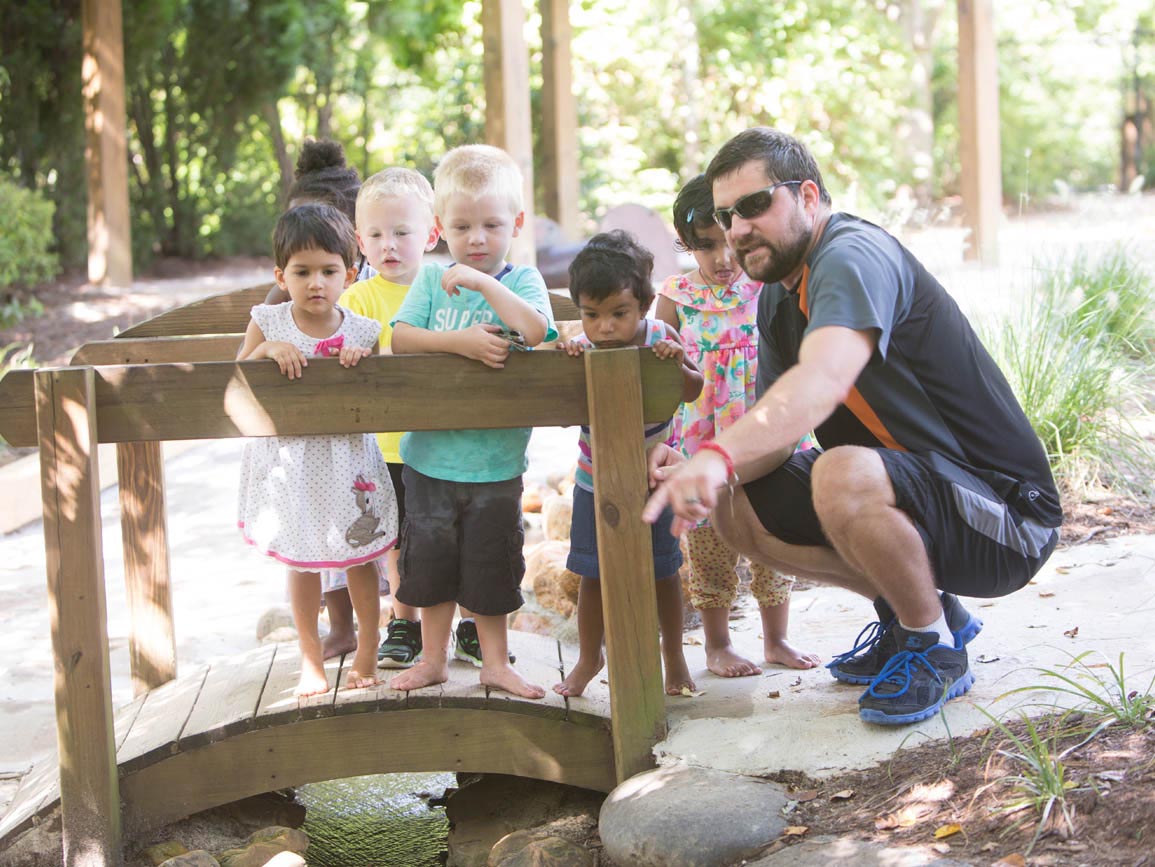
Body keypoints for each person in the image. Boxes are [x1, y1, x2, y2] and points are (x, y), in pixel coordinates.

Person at [644, 127, 1062, 725]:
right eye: (725, 215)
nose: (737, 230)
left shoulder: (850, 254)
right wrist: (701, 466)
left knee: (840, 472)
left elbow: (819, 383)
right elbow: (776, 434)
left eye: (755, 205)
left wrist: (716, 455)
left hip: (1007, 515)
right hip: (917, 490)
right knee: (733, 505)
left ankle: (935, 650)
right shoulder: (775, 296)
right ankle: (917, 612)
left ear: (808, 197)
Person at [388, 144, 558, 699]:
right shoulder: (431, 281)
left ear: (517, 223)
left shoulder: (524, 281)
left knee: (491, 567)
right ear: (440, 229)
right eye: (462, 227)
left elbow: (535, 332)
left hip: (495, 462)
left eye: (491, 224)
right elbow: (400, 337)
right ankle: (434, 659)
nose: (477, 238)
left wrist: (486, 285)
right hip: (431, 460)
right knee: (432, 566)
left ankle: (495, 664)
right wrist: (458, 342)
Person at [654, 175, 820, 679]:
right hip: (701, 441)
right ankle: (718, 645)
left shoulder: (764, 285)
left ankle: (776, 638)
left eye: (727, 244)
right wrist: (664, 354)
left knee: (771, 534)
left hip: (764, 434)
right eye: (705, 248)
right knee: (709, 545)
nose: (722, 260)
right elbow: (655, 364)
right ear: (686, 244)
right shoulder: (676, 295)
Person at [237, 203, 398, 696]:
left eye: (329, 271)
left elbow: (385, 386)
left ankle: (368, 645)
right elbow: (238, 373)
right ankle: (310, 655)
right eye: (302, 272)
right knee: (301, 562)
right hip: (292, 466)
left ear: (349, 274)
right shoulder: (268, 321)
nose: (315, 283)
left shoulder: (362, 330)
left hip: (349, 465)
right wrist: (266, 351)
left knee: (359, 559)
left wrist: (362, 360)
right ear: (280, 275)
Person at [552, 230, 704, 698]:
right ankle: (588, 658)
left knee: (662, 571)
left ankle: (674, 658)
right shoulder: (583, 344)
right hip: (593, 482)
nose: (605, 328)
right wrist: (567, 352)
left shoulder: (661, 336)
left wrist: (674, 364)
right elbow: (557, 395)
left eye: (619, 314)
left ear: (643, 304)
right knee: (591, 574)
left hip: (652, 480)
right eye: (591, 315)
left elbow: (693, 389)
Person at [262, 139, 378, 659]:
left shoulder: (370, 281)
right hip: (307, 442)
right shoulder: (280, 298)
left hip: (363, 431)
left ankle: (390, 628)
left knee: (364, 535)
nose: (316, 278)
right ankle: (340, 628)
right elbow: (248, 352)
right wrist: (271, 345)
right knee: (317, 539)